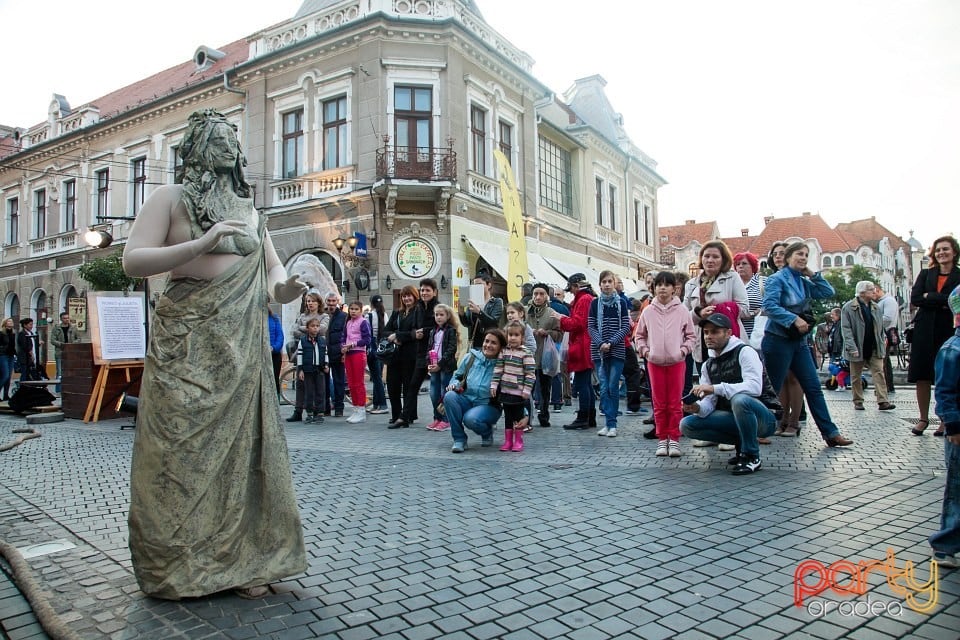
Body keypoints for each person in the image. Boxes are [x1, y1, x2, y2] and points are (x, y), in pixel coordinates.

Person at [122, 109, 306, 600]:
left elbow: (272, 274)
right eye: (217, 137)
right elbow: (133, 259)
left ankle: (243, 559)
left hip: (240, 344)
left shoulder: (251, 209)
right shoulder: (170, 198)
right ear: (198, 147)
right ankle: (181, 563)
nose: (228, 145)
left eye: (233, 138)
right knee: (181, 452)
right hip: (187, 343)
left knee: (241, 452)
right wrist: (200, 243)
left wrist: (287, 288)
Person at [761, 242, 853, 448]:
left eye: (805, 255)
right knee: (772, 388)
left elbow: (827, 291)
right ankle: (756, 429)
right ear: (788, 257)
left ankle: (830, 433)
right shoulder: (777, 279)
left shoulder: (802, 280)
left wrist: (811, 273)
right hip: (778, 339)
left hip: (799, 341)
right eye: (798, 254)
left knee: (813, 387)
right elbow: (769, 306)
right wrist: (792, 318)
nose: (802, 257)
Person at [680, 314, 779, 475]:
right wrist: (697, 407)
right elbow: (709, 405)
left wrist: (714, 388)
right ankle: (742, 444)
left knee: (740, 400)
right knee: (687, 424)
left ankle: (751, 455)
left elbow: (755, 387)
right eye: (706, 332)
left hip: (765, 417)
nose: (709, 336)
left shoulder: (745, 352)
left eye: (715, 332)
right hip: (733, 416)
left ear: (728, 333)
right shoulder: (707, 365)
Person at [681, 240, 748, 450]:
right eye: (707, 256)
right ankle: (714, 432)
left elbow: (744, 308)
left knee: (730, 388)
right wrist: (698, 313)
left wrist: (719, 310)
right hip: (702, 341)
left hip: (728, 342)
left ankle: (732, 433)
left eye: (715, 256)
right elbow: (684, 316)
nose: (710, 260)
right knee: (708, 387)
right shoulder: (692, 283)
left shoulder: (732, 277)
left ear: (724, 259)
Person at [634, 271, 695, 457]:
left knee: (675, 402)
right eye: (659, 284)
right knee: (659, 403)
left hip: (677, 363)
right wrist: (646, 352)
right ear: (654, 288)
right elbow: (639, 336)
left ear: (674, 288)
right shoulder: (648, 311)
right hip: (654, 362)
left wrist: (682, 351)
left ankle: (674, 439)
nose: (662, 288)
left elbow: (691, 336)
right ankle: (662, 438)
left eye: (667, 284)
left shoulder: (682, 310)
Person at [908, 235, 960, 436]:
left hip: (948, 328)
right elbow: (916, 298)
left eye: (945, 249)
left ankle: (945, 419)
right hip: (924, 329)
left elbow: (954, 300)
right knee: (922, 374)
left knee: (947, 375)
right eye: (938, 250)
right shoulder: (926, 274)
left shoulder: (958, 275)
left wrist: (933, 297)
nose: (941, 253)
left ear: (954, 252)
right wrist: (941, 300)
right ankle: (923, 418)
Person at [929, 284, 960, 569]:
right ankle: (945, 544)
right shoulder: (953, 349)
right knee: (957, 489)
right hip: (958, 431)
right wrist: (952, 426)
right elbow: (945, 392)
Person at [767, 241, 808, 434]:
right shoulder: (773, 278)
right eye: (775, 254)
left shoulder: (799, 279)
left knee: (794, 378)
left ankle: (794, 420)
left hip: (795, 332)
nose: (778, 257)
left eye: (782, 253)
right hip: (776, 333)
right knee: (781, 378)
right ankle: (781, 418)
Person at [443, 328, 506, 453]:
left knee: (470, 419)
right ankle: (459, 439)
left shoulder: (503, 365)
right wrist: (454, 384)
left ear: (500, 347)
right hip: (467, 399)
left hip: (489, 406)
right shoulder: (470, 358)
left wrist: (523, 413)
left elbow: (513, 389)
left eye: (493, 343)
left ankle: (487, 432)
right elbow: (457, 376)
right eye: (486, 341)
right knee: (449, 396)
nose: (488, 345)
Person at [840, 281, 895, 412]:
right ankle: (858, 401)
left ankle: (883, 401)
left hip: (874, 346)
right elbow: (846, 329)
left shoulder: (875, 307)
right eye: (871, 290)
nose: (874, 291)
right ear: (862, 293)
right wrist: (852, 347)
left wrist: (881, 344)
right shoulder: (848, 308)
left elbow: (880, 328)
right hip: (857, 347)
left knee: (879, 372)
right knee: (855, 376)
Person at [588, 270, 631, 437]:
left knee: (613, 386)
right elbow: (591, 326)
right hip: (598, 351)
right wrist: (600, 343)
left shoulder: (621, 303)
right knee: (604, 387)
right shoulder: (594, 303)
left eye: (609, 281)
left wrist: (610, 342)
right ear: (599, 284)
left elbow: (625, 327)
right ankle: (607, 422)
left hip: (617, 351)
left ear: (614, 284)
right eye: (603, 281)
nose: (606, 284)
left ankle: (612, 424)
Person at [491, 321, 536, 452]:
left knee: (518, 417)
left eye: (516, 335)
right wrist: (494, 385)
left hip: (519, 392)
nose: (513, 338)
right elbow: (498, 369)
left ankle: (519, 441)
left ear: (522, 337)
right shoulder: (504, 351)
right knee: (508, 417)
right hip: (505, 391)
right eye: (510, 335)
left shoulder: (526, 353)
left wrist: (527, 390)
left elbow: (530, 374)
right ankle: (508, 441)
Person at [560, 273, 597, 430]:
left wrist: (560, 319)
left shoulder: (583, 300)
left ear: (576, 286)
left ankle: (583, 417)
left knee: (582, 383)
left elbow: (577, 324)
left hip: (583, 345)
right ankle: (589, 417)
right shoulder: (586, 298)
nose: (571, 292)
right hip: (584, 344)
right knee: (586, 383)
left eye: (572, 288)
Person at [286, 290, 327, 422]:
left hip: (317, 353)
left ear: (318, 302)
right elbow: (294, 331)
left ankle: (317, 411)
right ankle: (298, 411)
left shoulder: (324, 316)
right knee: (301, 383)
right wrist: (308, 329)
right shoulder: (302, 315)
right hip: (302, 352)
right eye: (308, 301)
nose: (310, 303)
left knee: (317, 385)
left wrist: (304, 328)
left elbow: (322, 330)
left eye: (312, 301)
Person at [525, 282, 562, 427]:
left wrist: (547, 333)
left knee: (546, 388)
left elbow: (560, 334)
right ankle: (527, 417)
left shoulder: (552, 314)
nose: (538, 297)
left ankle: (544, 415)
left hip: (545, 356)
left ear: (547, 296)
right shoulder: (525, 311)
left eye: (541, 294)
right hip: (528, 356)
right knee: (528, 388)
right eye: (535, 294)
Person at [384, 285, 421, 428]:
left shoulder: (418, 312)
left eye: (409, 295)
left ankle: (408, 415)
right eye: (404, 296)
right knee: (392, 385)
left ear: (414, 296)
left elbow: (417, 333)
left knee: (408, 386)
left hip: (410, 354)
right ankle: (396, 415)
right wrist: (393, 337)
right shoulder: (396, 313)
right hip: (394, 355)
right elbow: (385, 331)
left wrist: (399, 335)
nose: (406, 298)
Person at [426, 303, 460, 431]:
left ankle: (446, 420)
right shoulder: (432, 331)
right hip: (434, 365)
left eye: (441, 315)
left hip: (445, 367)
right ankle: (437, 417)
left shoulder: (451, 330)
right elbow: (429, 348)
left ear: (447, 316)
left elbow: (451, 349)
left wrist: (440, 365)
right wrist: (428, 363)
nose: (438, 317)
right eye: (436, 315)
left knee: (443, 393)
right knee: (433, 393)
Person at [410, 278, 440, 416]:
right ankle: (407, 417)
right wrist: (415, 333)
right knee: (413, 385)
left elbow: (440, 327)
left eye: (427, 290)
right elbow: (413, 327)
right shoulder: (418, 307)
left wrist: (425, 332)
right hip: (420, 352)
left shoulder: (438, 308)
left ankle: (439, 417)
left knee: (436, 388)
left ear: (434, 292)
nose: (424, 293)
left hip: (435, 353)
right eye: (422, 290)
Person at [341, 300, 371, 423]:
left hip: (358, 353)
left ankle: (361, 409)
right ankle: (355, 408)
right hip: (348, 353)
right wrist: (342, 345)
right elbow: (343, 336)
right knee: (351, 383)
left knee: (359, 382)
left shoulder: (363, 322)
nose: (353, 311)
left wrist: (352, 344)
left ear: (361, 310)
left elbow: (367, 339)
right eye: (351, 309)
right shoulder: (348, 322)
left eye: (356, 309)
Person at [460, 273, 504, 349]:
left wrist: (479, 312)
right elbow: (467, 323)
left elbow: (493, 322)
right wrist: (461, 313)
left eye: (479, 284)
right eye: (474, 285)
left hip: (489, 342)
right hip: (474, 343)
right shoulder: (472, 301)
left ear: (489, 285)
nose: (476, 287)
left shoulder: (496, 302)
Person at [298, 317, 328, 424]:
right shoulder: (303, 341)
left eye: (317, 326)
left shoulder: (322, 340)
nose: (315, 328)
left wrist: (326, 365)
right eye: (312, 326)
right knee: (309, 392)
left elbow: (325, 353)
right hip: (307, 369)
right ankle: (309, 413)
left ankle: (319, 413)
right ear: (307, 328)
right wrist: (300, 369)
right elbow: (300, 355)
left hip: (319, 369)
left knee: (320, 391)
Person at [324, 291, 347, 417]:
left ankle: (339, 408)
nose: (331, 304)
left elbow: (346, 335)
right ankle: (326, 408)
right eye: (329, 301)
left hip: (338, 352)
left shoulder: (343, 316)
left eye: (334, 301)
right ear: (326, 302)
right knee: (324, 382)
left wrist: (344, 352)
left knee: (339, 381)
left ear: (337, 302)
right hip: (324, 354)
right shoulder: (323, 315)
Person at [365, 294, 389, 414]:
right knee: (377, 377)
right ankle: (376, 404)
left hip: (372, 348)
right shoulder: (385, 315)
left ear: (371, 304)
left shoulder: (368, 316)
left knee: (376, 378)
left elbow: (366, 333)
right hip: (382, 348)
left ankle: (382, 404)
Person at [874, 284, 898, 394]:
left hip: (886, 333)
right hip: (881, 333)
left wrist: (872, 321)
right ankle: (887, 386)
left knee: (882, 362)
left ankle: (886, 386)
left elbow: (888, 319)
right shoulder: (882, 302)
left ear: (878, 290)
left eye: (873, 293)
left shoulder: (888, 301)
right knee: (884, 361)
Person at [549, 286, 571, 411]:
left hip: (560, 342)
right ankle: (564, 397)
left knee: (560, 371)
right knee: (562, 372)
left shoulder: (563, 308)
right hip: (560, 343)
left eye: (559, 294)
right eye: (556, 294)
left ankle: (563, 397)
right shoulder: (565, 308)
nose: (557, 296)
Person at [734, 252, 763, 340]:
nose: (740, 266)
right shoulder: (732, 285)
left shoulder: (763, 282)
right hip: (738, 334)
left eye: (744, 263)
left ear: (753, 266)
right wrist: (752, 313)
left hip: (759, 333)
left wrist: (761, 311)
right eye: (738, 264)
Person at [49, 311, 79, 392]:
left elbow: (78, 338)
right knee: (60, 372)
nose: (67, 320)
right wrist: (61, 344)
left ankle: (70, 389)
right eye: (65, 318)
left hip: (71, 352)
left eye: (68, 318)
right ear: (61, 319)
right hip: (60, 352)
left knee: (71, 371)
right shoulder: (56, 328)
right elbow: (52, 340)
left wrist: (72, 344)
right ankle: (59, 390)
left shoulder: (73, 328)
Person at [267, 305, 284, 400]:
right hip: (260, 356)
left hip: (274, 354)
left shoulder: (274, 318)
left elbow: (280, 336)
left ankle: (276, 401)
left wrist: (274, 348)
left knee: (274, 379)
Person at [0, 318, 16, 401]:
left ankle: (5, 395)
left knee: (9, 377)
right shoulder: (1, 333)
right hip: (3, 355)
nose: (11, 323)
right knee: (5, 375)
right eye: (9, 321)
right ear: (5, 323)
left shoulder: (13, 333)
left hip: (11, 356)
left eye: (12, 321)